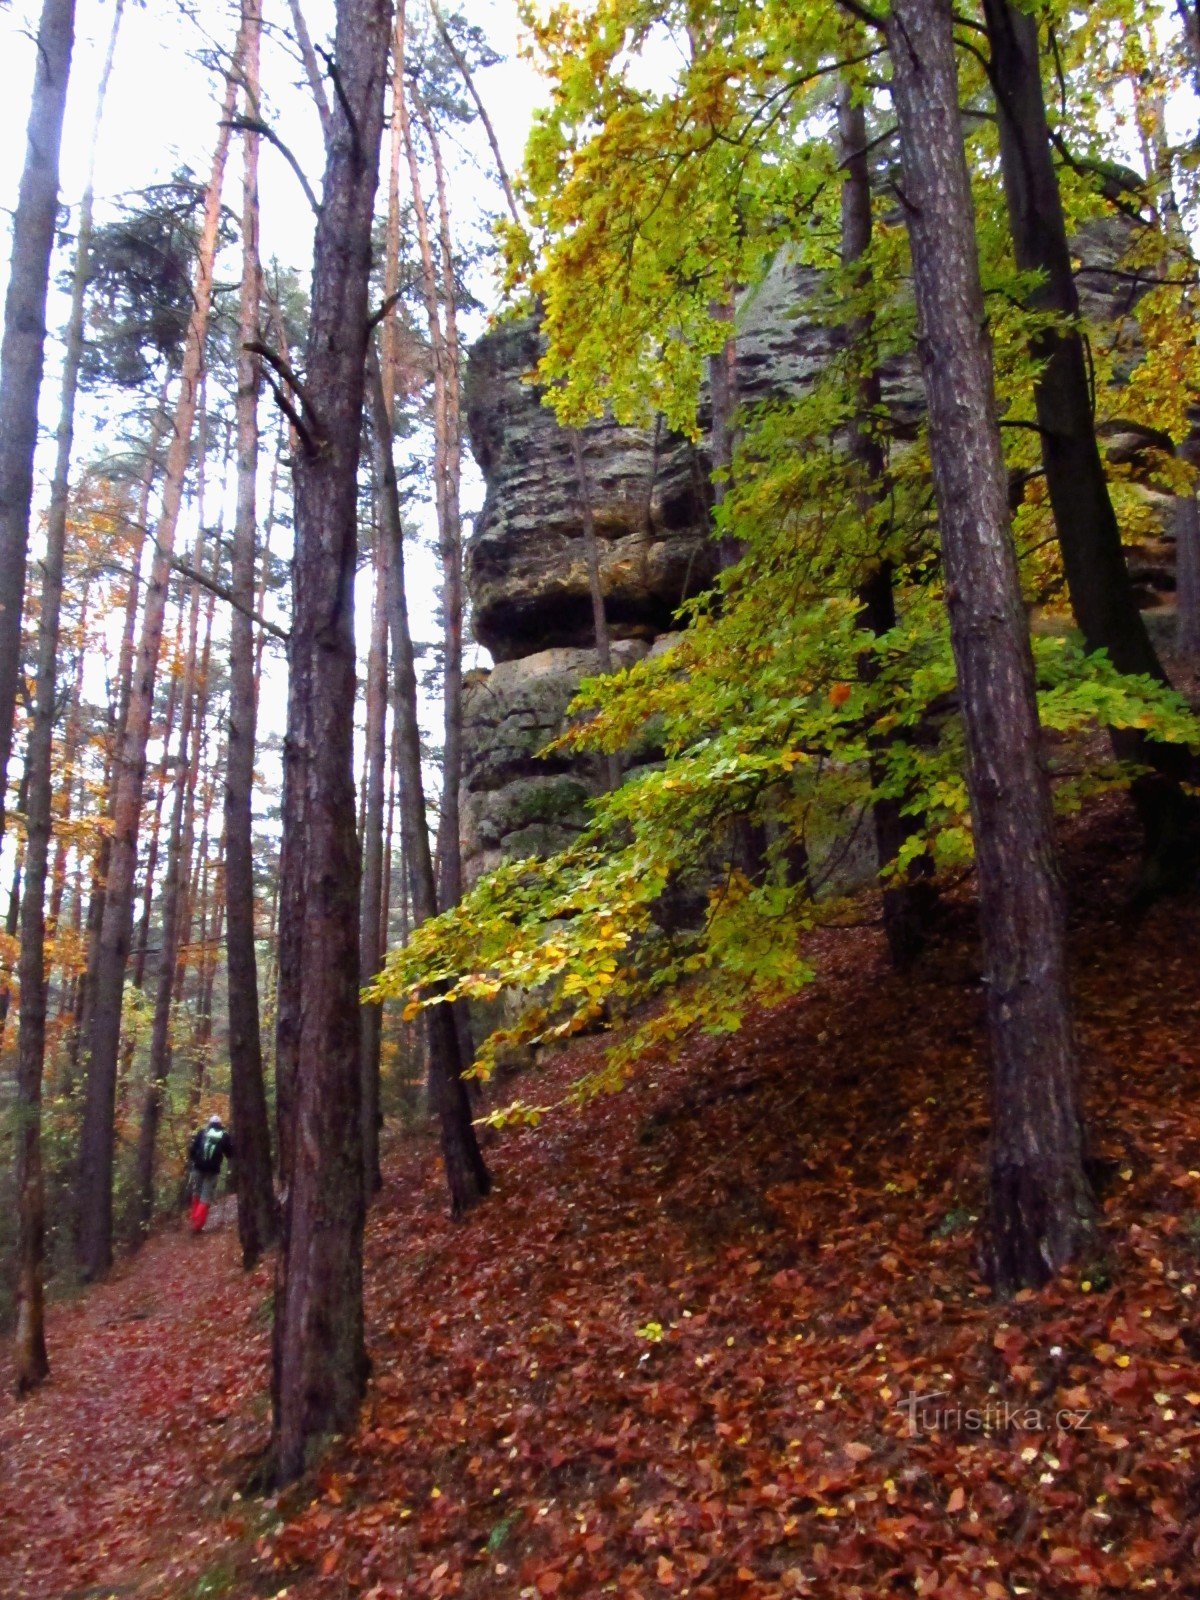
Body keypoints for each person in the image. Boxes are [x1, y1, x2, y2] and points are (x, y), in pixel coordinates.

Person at [187, 1114, 233, 1233]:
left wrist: (194, 1161)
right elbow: (230, 1154)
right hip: (212, 1171)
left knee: (196, 1193)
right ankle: (198, 1224)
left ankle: (194, 1221)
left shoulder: (202, 1132)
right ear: (220, 1124)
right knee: (205, 1197)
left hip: (198, 1168)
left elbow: (192, 1150)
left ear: (209, 1123)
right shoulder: (224, 1135)